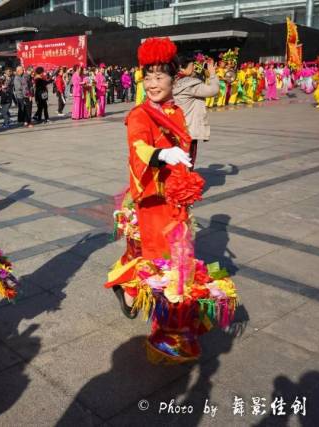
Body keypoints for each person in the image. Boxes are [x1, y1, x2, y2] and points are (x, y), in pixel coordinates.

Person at [106, 37, 193, 315]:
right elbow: (138, 147)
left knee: (159, 255)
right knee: (154, 255)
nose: (153, 84)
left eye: (159, 76)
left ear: (173, 79)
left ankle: (134, 294)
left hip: (174, 198)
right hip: (150, 200)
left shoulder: (177, 112)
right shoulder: (140, 115)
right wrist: (161, 155)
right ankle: (144, 302)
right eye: (149, 78)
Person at [173, 55, 219, 170]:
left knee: (178, 161)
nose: (194, 68)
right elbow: (213, 90)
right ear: (182, 68)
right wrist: (212, 74)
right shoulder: (191, 84)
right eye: (192, 66)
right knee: (188, 161)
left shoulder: (173, 81)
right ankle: (186, 184)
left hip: (175, 127)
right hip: (189, 129)